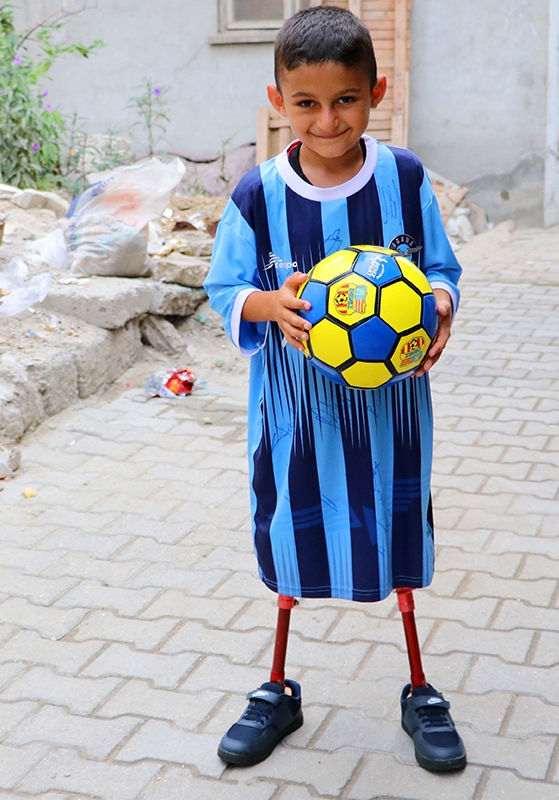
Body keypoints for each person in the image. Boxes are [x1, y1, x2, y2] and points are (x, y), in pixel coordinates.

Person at [204, 5, 465, 772]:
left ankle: (420, 689)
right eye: (307, 103)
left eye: (345, 100)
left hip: (389, 418)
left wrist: (440, 308)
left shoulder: (405, 179)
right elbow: (222, 288)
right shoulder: (257, 195)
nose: (327, 120)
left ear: (375, 93)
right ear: (277, 100)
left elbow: (443, 271)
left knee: (396, 535)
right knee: (294, 538)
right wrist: (265, 304)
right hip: (297, 416)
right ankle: (278, 687)